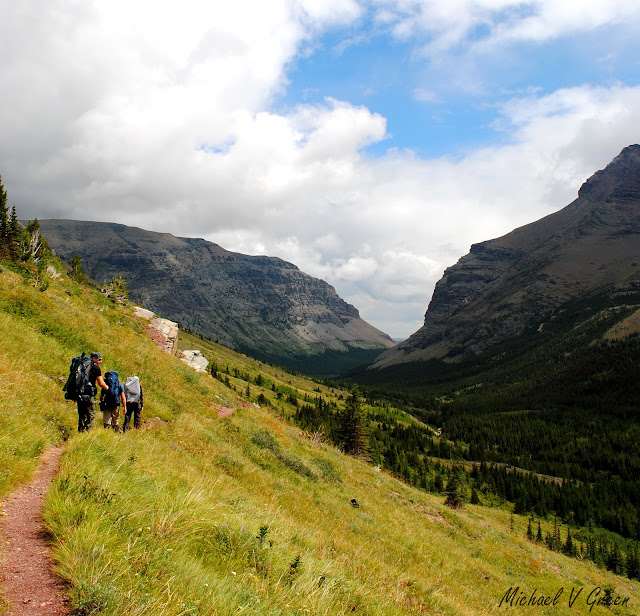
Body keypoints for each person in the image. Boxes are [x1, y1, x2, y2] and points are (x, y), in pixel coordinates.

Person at [77, 352, 108, 432]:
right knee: (90, 415)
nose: (100, 362)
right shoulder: (96, 367)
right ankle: (87, 434)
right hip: (89, 394)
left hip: (79, 393)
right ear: (94, 358)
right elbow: (100, 383)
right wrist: (107, 388)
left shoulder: (82, 365)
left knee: (81, 414)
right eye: (99, 359)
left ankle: (80, 431)